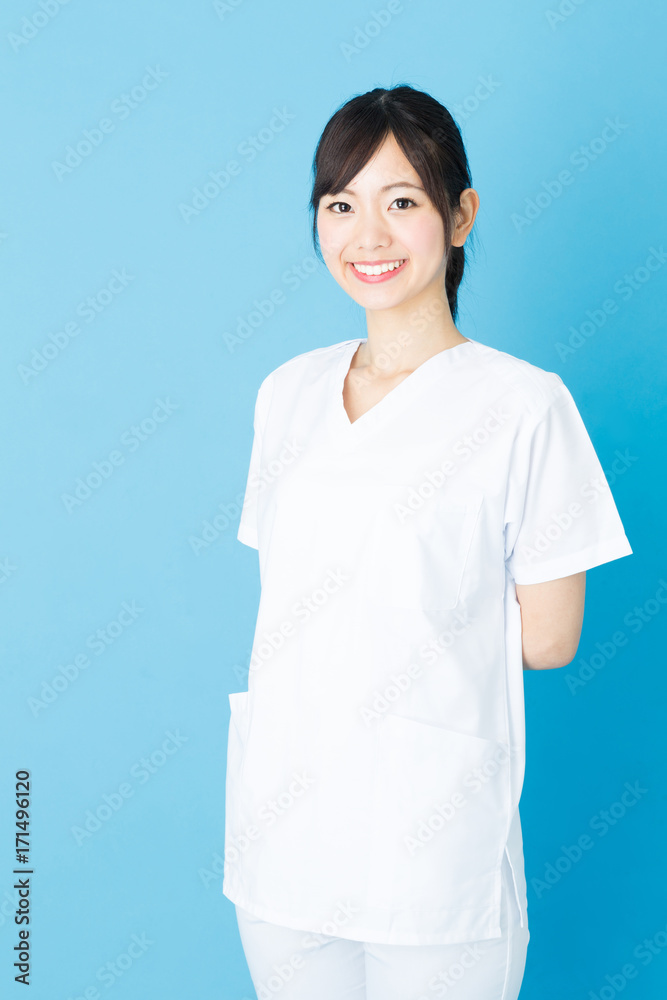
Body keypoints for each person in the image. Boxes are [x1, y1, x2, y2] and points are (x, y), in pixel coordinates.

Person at [222, 85, 633, 1000]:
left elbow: (550, 638)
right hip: (282, 836)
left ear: (459, 216)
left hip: (429, 844)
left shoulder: (523, 406)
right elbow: (292, 596)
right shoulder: (285, 393)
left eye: (401, 201)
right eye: (340, 205)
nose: (367, 236)